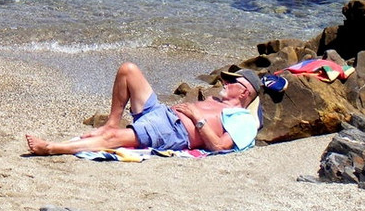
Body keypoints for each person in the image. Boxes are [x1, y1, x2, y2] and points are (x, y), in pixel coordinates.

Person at [25, 62, 261, 156]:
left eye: (232, 82)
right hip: (161, 113)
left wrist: (198, 118)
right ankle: (111, 121)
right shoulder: (218, 102)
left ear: (244, 93)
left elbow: (219, 147)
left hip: (172, 131)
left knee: (115, 139)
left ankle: (53, 148)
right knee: (128, 70)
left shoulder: (243, 119)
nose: (225, 83)